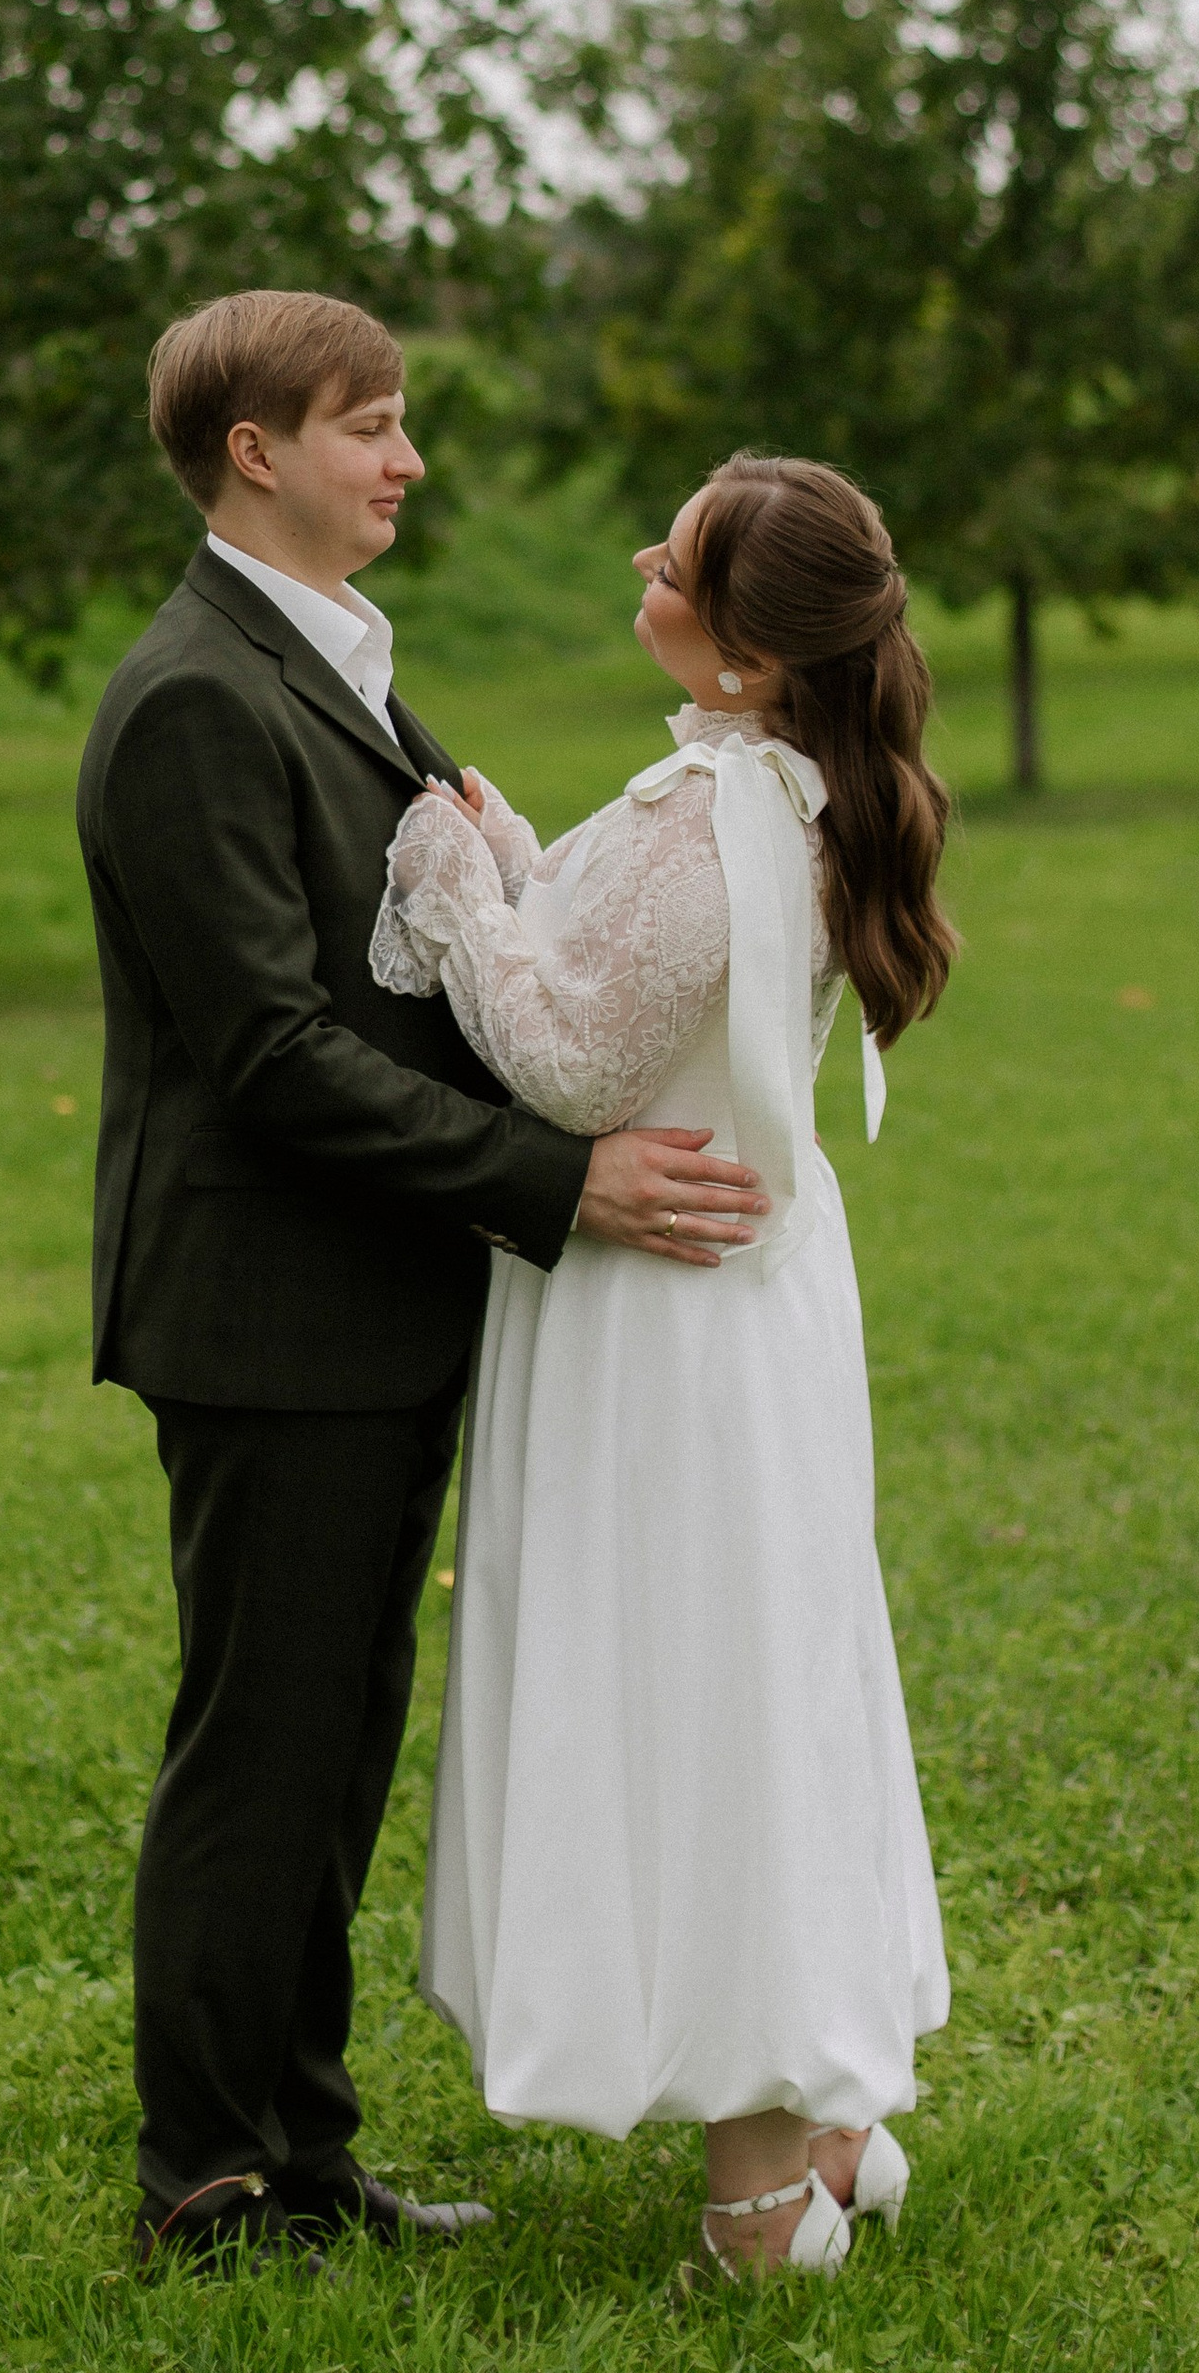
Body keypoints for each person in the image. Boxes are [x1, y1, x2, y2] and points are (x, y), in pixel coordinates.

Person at [78, 291, 770, 2272]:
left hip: (364, 1302)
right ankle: (205, 2184)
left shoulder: (336, 666)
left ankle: (305, 2155)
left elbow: (455, 933)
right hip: (266, 1312)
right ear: (252, 454)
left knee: (332, 1733)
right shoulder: (197, 695)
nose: (402, 461)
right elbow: (269, 1053)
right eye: (366, 427)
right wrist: (561, 1180)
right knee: (260, 1743)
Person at [371, 452, 956, 2282]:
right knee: (757, 1670)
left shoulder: (726, 820)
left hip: (668, 1326)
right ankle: (826, 2106)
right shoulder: (757, 788)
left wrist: (456, 881)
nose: (644, 552)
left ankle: (767, 2195)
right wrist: (535, 857)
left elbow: (567, 1063)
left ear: (754, 662)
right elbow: (646, 976)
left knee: (697, 1689)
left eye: (683, 558)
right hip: (726, 1300)